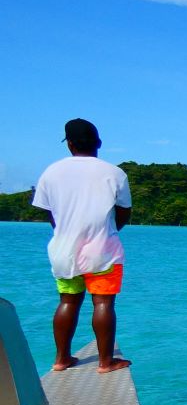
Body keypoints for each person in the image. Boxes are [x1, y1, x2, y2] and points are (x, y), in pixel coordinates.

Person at [32, 118, 133, 374]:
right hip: (104, 251)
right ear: (98, 143)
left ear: (70, 144)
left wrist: (66, 234)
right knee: (103, 304)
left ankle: (61, 359)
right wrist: (108, 232)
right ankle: (105, 362)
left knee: (67, 301)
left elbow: (50, 214)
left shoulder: (50, 172)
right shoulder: (114, 173)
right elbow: (124, 212)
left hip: (63, 251)